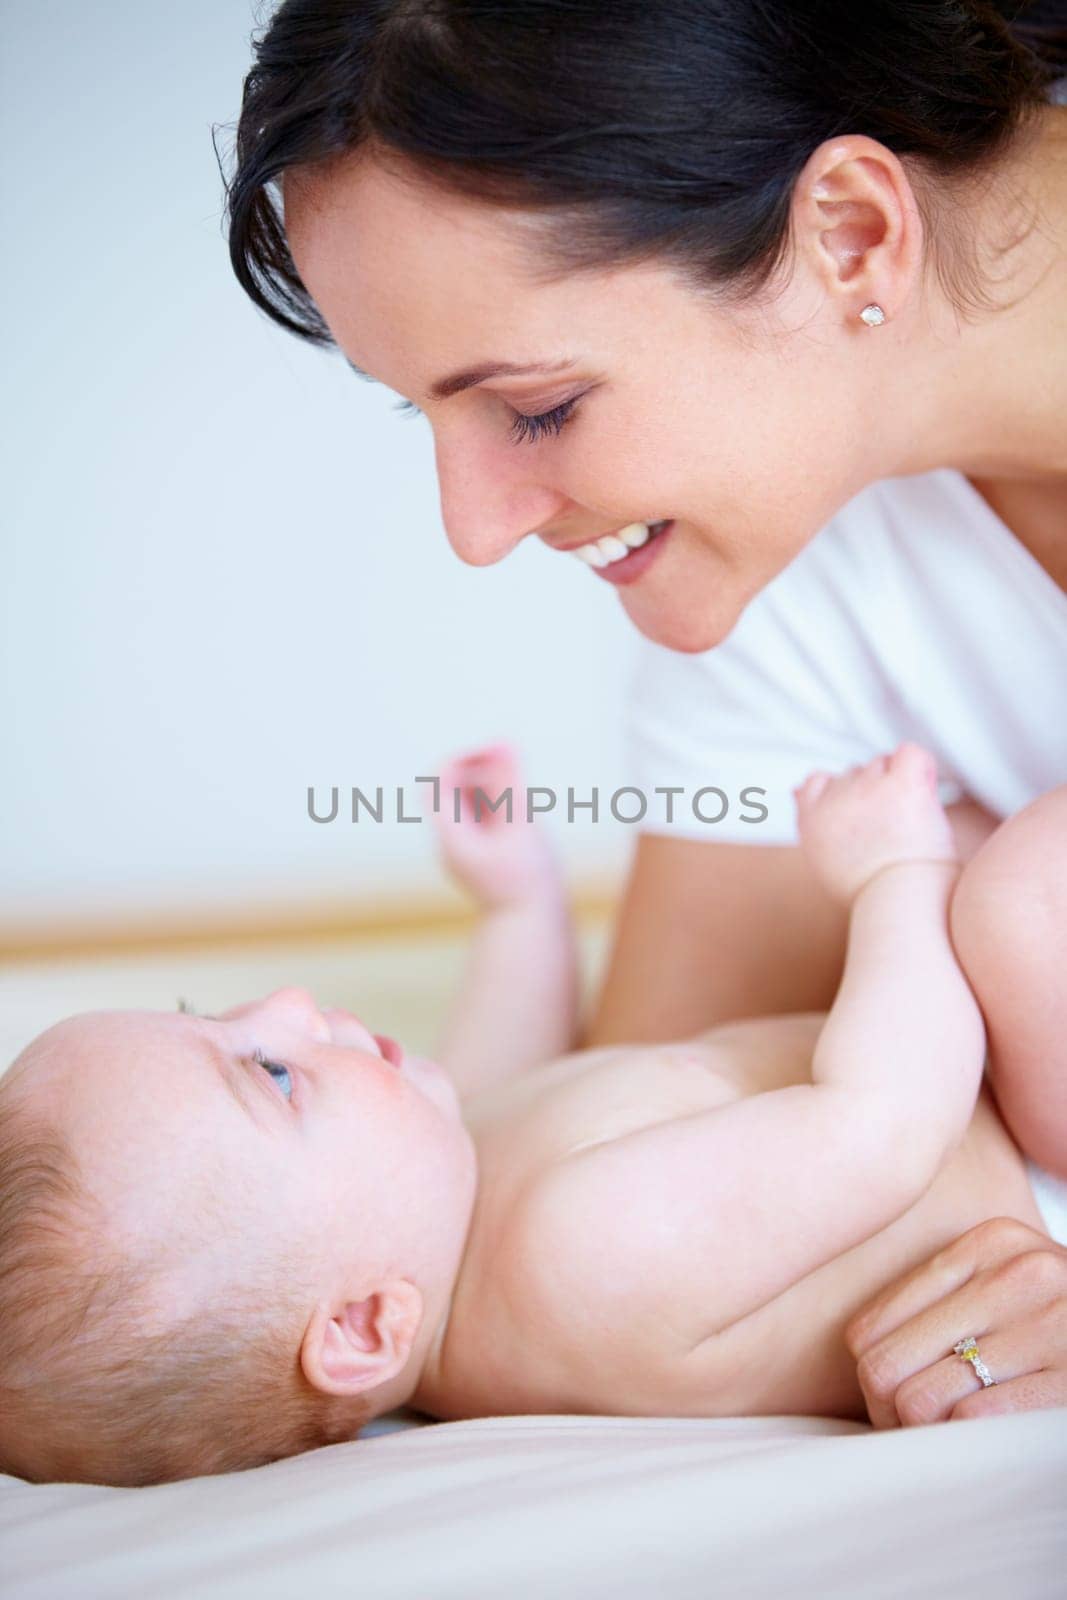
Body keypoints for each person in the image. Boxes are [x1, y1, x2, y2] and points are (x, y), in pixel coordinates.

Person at [219, 1, 1067, 1424]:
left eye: (535, 407)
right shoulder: (784, 560)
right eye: (418, 414)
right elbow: (670, 1103)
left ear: (850, 234)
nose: (473, 533)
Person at [2, 740, 1065, 1486]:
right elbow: (880, 1123)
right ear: (364, 1326)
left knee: (963, 825)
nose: (285, 1005)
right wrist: (895, 871)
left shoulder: (441, 1216)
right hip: (1022, 1170)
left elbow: (503, 1060)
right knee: (1013, 891)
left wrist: (514, 899)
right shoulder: (577, 1257)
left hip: (977, 1091)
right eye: (269, 1075)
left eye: (213, 1014)